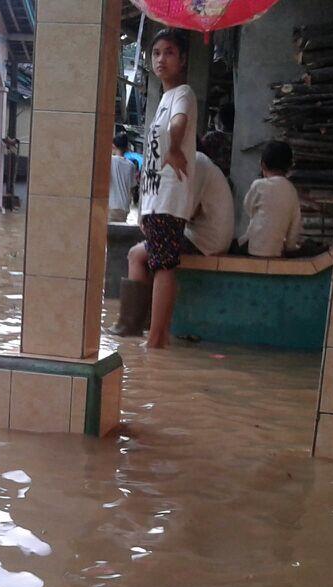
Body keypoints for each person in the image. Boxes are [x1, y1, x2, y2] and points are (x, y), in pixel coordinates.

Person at [118, 151, 233, 336]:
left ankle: (130, 326)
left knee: (136, 255)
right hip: (202, 236)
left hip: (205, 240)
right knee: (145, 251)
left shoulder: (195, 162)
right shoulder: (198, 162)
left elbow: (183, 212)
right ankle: (144, 323)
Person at [136, 28, 196, 349]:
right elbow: (151, 160)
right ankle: (153, 333)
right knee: (158, 262)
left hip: (170, 197)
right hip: (156, 199)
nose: (161, 59)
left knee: (163, 265)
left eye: (169, 52)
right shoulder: (164, 97)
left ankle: (156, 338)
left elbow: (179, 123)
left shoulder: (183, 93)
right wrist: (144, 206)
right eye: (156, 52)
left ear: (183, 59)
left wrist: (173, 147)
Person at [239, 140, 303, 258]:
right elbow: (295, 226)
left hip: (252, 249)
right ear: (289, 167)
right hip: (276, 252)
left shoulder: (258, 185)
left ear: (263, 165)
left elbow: (247, 207)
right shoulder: (292, 191)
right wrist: (290, 247)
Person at [109, 133, 137, 222]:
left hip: (111, 205)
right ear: (126, 148)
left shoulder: (110, 161)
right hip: (124, 207)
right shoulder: (131, 165)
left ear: (113, 146)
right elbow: (132, 187)